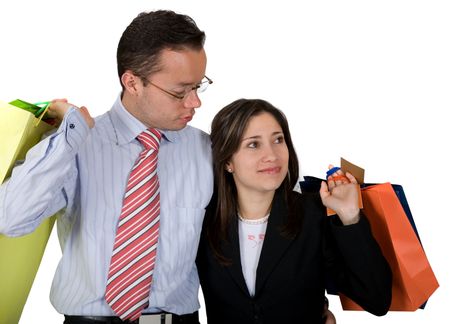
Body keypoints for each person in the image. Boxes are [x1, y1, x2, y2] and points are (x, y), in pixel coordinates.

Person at [0, 10, 214, 324]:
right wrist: (67, 136)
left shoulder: (208, 150)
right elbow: (10, 219)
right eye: (180, 91)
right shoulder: (75, 145)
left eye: (199, 86)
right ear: (132, 82)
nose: (195, 102)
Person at [196, 98, 392, 323]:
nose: (272, 155)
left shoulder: (314, 214)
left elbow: (377, 300)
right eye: (253, 144)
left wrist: (350, 216)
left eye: (278, 140)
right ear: (227, 160)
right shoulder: (203, 220)